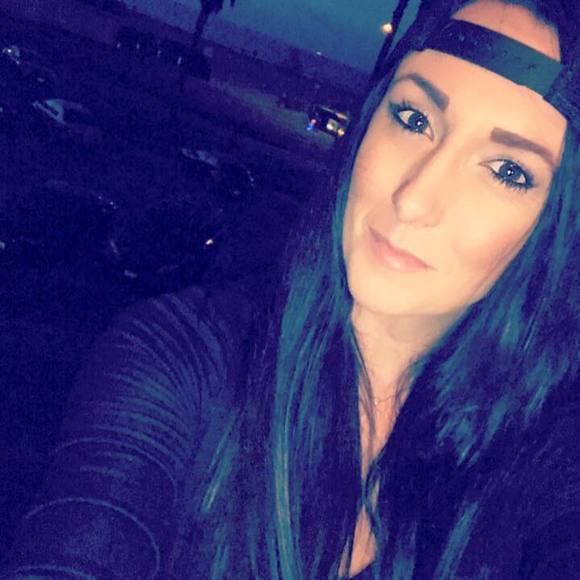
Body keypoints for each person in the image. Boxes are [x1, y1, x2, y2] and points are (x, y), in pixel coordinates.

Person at [1, 0, 579, 578]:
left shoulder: (536, 457)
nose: (414, 199)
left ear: (557, 231)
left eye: (507, 171)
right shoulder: (182, 364)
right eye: (413, 118)